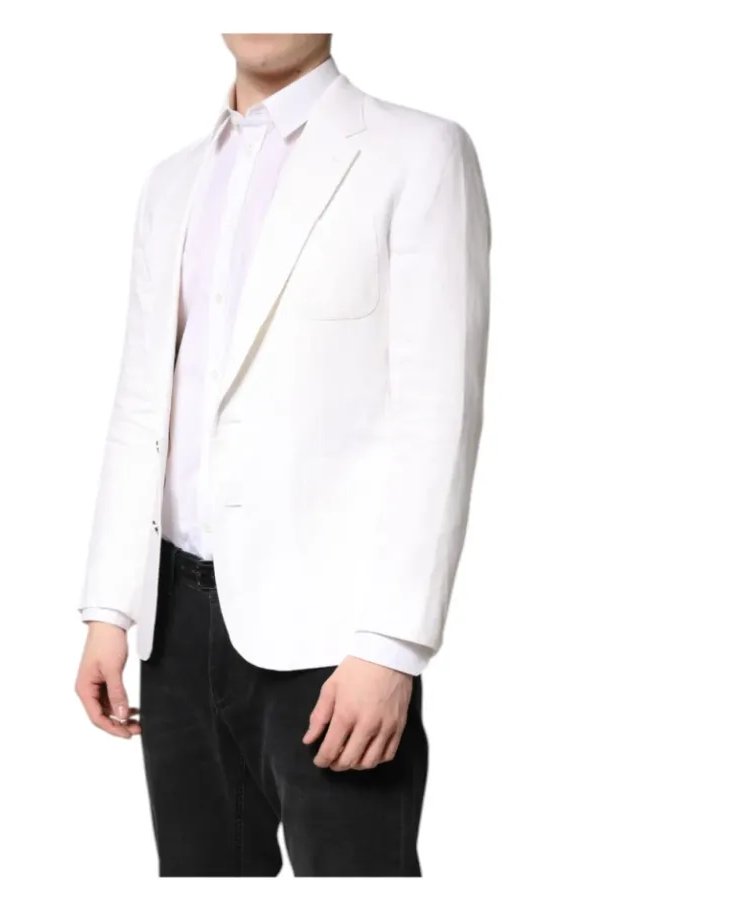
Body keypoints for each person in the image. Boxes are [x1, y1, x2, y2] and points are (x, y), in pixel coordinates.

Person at [75, 32, 491, 877]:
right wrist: (109, 610)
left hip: (335, 639)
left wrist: (394, 645)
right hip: (175, 626)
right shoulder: (170, 182)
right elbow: (142, 400)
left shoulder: (418, 153)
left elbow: (438, 415)